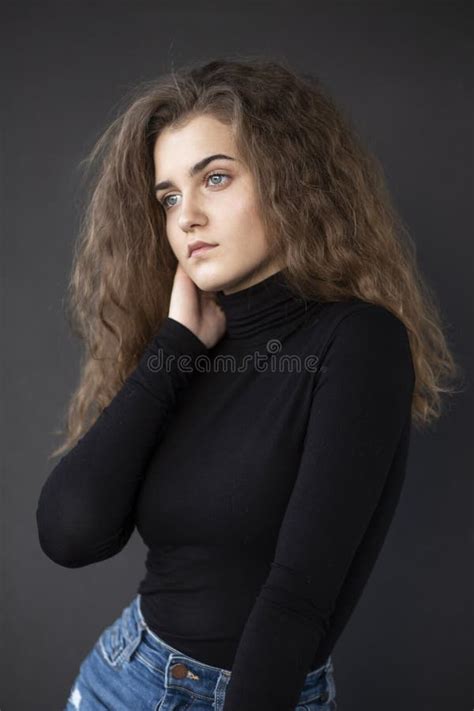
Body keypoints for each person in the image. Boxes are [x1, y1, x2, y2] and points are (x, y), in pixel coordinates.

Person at [36, 57, 461, 711]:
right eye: (170, 196)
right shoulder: (194, 342)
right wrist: (174, 347)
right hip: (121, 679)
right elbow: (70, 532)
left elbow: (299, 597)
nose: (187, 218)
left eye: (215, 178)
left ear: (291, 180)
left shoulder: (357, 342)